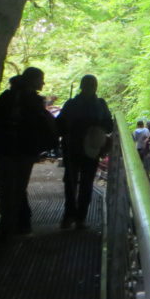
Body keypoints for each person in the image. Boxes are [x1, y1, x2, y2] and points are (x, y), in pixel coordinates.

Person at [0, 67, 56, 241]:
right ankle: (13, 225)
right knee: (17, 187)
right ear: (32, 80)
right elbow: (40, 126)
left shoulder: (8, 97)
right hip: (23, 151)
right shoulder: (32, 101)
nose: (42, 83)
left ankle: (11, 225)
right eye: (40, 79)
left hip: (6, 150)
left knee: (8, 187)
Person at [56, 74, 112, 230]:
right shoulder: (100, 105)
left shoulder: (72, 104)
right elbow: (109, 125)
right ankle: (80, 218)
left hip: (72, 147)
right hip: (90, 148)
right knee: (85, 183)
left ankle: (70, 217)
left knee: (71, 182)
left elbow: (59, 124)